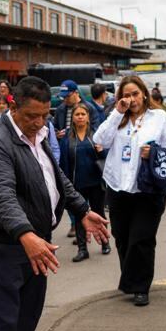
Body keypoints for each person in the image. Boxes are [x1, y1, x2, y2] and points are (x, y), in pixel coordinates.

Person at [0, 76, 109, 331]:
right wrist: (25, 235)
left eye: (45, 115)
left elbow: (55, 175)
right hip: (6, 243)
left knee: (29, 310)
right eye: (31, 116)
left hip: (37, 240)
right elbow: (0, 196)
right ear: (12, 106)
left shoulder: (40, 133)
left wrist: (83, 210)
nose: (39, 122)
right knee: (5, 314)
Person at [93, 75, 166, 306]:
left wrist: (154, 152)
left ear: (144, 94)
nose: (131, 99)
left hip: (147, 189)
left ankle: (140, 287)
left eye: (135, 94)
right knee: (121, 237)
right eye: (126, 95)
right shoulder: (117, 118)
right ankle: (131, 279)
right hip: (118, 186)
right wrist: (117, 112)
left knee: (141, 238)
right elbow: (99, 140)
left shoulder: (158, 117)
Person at [59, 103, 110, 262]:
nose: (80, 117)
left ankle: (104, 243)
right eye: (77, 114)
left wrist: (102, 150)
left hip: (96, 183)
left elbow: (108, 157)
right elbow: (63, 163)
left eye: (83, 114)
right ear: (72, 118)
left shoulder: (96, 135)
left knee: (99, 214)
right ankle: (82, 249)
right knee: (81, 216)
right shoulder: (67, 138)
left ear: (88, 117)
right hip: (76, 185)